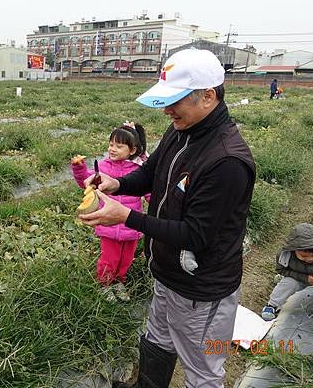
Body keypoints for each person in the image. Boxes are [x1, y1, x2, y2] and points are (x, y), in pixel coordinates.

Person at [80, 48, 256, 388]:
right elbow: (150, 173)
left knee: (202, 370)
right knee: (157, 336)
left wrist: (127, 216)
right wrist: (117, 183)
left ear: (208, 96)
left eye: (176, 100)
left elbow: (195, 235)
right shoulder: (182, 130)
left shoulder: (227, 161)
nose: (168, 110)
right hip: (167, 271)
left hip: (200, 288)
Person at [70, 122, 149, 301]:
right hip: (109, 224)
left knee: (126, 259)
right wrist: (79, 168)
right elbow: (87, 181)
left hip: (131, 224)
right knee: (109, 259)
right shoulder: (104, 167)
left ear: (132, 150)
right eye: (111, 144)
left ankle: (119, 281)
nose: (112, 149)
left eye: (119, 146)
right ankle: (105, 284)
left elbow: (149, 191)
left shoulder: (138, 170)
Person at [261, 223, 313, 321]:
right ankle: (272, 306)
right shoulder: (285, 256)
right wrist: (305, 278)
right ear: (293, 250)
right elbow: (281, 270)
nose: (310, 259)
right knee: (288, 284)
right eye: (303, 256)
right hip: (299, 277)